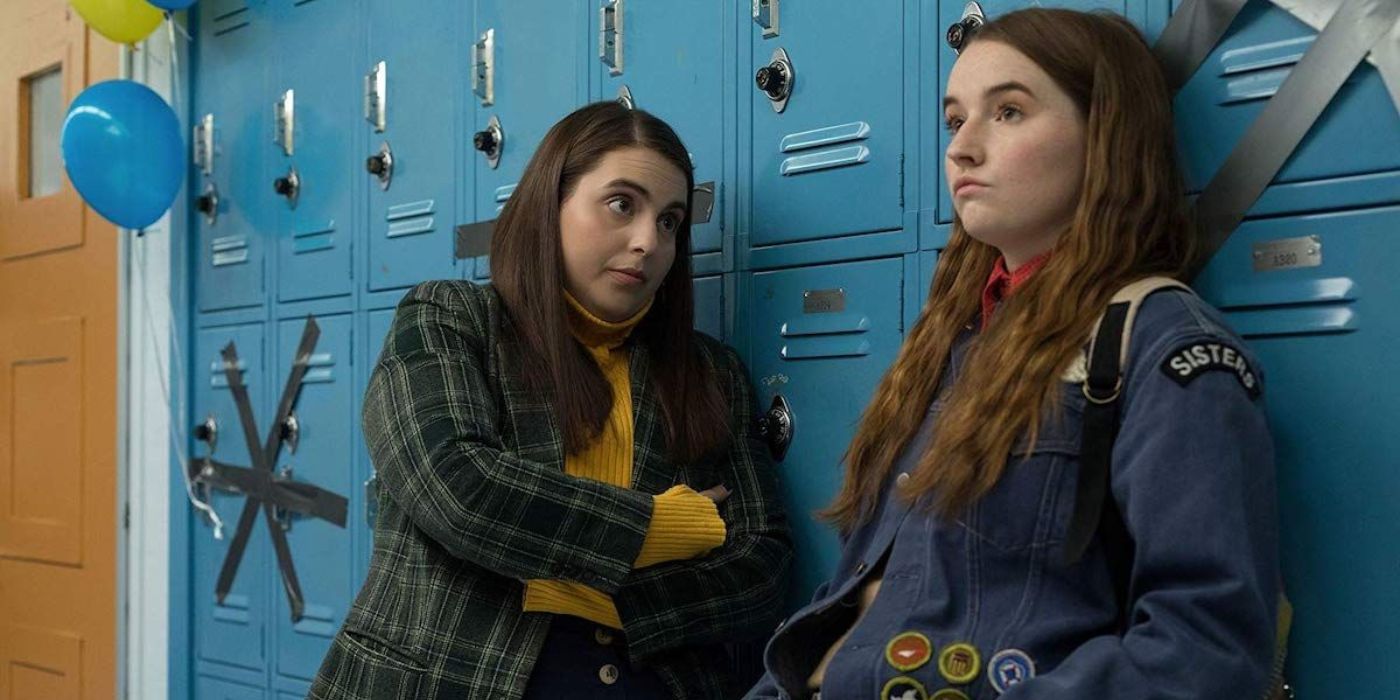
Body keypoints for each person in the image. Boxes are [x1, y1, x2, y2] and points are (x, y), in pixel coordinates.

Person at [745, 9, 1280, 700]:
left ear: (1105, 136)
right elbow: (858, 593)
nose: (962, 148)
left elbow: (1206, 649)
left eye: (1008, 112)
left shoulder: (1162, 343)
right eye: (953, 119)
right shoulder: (950, 339)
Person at [310, 101, 792, 700]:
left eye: (670, 221)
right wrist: (659, 527)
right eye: (622, 204)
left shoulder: (709, 371)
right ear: (550, 206)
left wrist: (608, 597)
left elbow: (763, 567)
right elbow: (456, 488)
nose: (648, 241)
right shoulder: (450, 319)